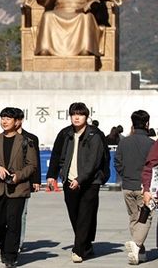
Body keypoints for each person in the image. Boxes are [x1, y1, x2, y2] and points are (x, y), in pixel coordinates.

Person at [46, 102, 108, 263]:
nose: (76, 117)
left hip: (90, 182)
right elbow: (56, 155)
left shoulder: (95, 135)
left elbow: (94, 161)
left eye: (80, 114)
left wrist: (80, 179)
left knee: (85, 215)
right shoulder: (65, 133)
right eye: (74, 114)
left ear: (86, 116)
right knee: (74, 214)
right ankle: (86, 244)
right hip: (69, 180)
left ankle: (78, 250)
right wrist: (52, 175)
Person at [0, 107, 37, 268]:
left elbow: (32, 165)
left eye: (8, 118)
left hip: (18, 189)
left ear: (17, 122)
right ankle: (3, 243)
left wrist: (19, 175)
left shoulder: (26, 141)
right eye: (2, 118)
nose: (4, 121)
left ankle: (11, 256)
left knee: (13, 223)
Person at [115, 110, 154, 264]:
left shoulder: (123, 142)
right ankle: (136, 244)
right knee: (146, 216)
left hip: (127, 185)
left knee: (134, 217)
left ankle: (140, 253)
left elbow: (117, 162)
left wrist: (125, 175)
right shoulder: (151, 144)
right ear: (147, 124)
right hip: (144, 187)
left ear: (132, 123)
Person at [14, 107, 41, 252]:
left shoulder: (31, 138)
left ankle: (18, 242)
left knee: (22, 213)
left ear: (20, 120)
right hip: (6, 180)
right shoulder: (1, 138)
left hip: (25, 180)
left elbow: (35, 161)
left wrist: (36, 180)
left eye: (16, 119)